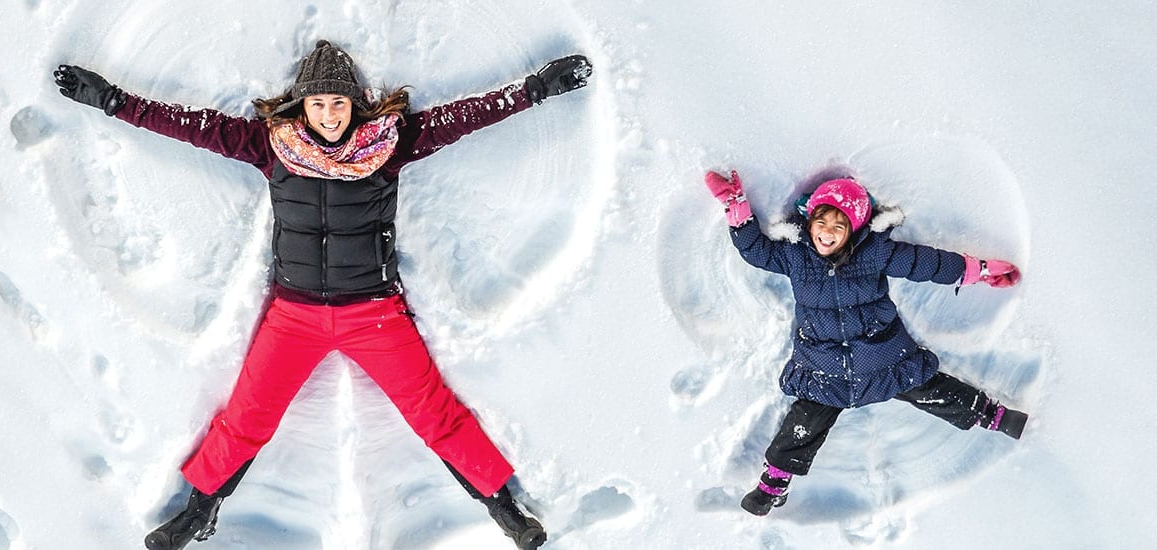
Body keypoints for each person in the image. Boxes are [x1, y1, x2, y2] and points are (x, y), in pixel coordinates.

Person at [54, 40, 592, 549]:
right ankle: (198, 510)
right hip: (295, 316)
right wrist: (111, 101)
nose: (330, 115)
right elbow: (188, 126)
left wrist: (536, 89)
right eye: (319, 103)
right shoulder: (272, 147)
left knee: (433, 413)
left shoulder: (388, 144)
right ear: (302, 106)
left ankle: (503, 508)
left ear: (355, 104)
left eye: (339, 103)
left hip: (375, 314)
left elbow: (467, 115)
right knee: (248, 416)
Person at [702, 170, 1028, 517]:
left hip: (882, 356)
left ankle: (991, 415)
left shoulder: (874, 254)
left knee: (930, 389)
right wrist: (735, 206)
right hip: (825, 365)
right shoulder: (795, 256)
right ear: (809, 220)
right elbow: (756, 251)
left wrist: (979, 270)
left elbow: (927, 264)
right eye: (821, 221)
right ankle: (773, 483)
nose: (827, 232)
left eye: (838, 227)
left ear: (853, 231)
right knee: (804, 422)